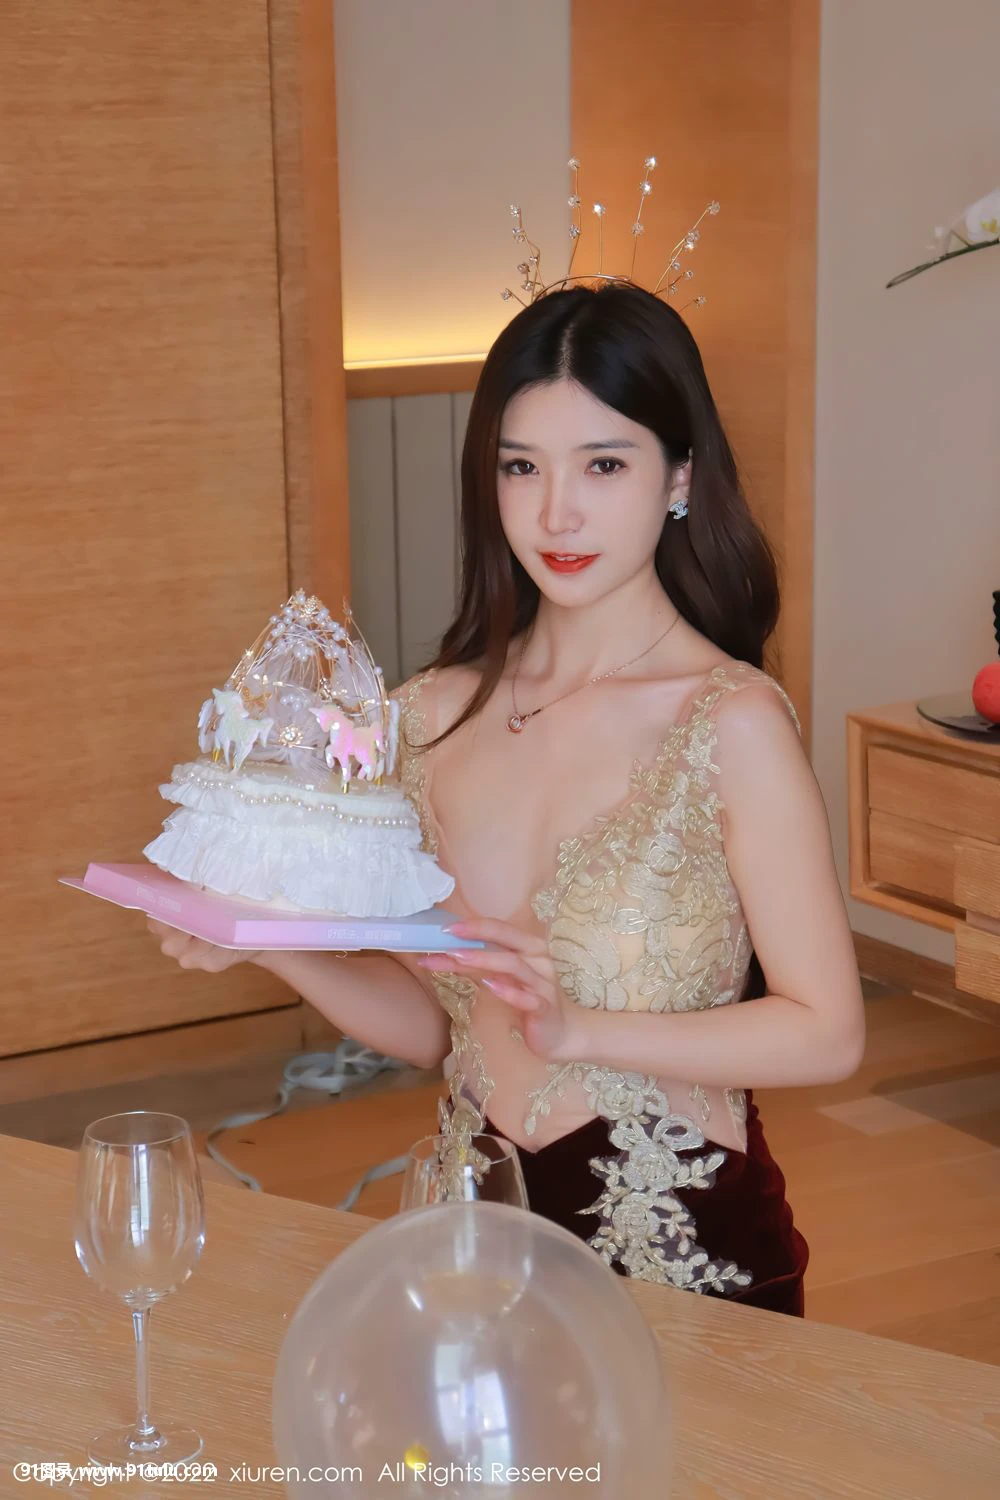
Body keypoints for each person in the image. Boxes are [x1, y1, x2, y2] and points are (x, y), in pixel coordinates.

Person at [150, 282, 865, 1316]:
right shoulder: (426, 718)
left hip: (677, 1251)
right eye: (520, 466)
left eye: (603, 465)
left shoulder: (729, 722)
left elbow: (827, 1031)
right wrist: (263, 938)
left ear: (679, 477)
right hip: (473, 1230)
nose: (555, 512)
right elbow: (444, 1030)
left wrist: (583, 1030)